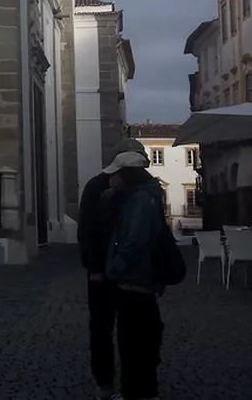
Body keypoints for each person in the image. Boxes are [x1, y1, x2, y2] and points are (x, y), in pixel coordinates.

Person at [77, 138, 148, 400]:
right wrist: (94, 267)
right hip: (105, 271)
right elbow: (87, 229)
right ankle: (105, 383)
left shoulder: (142, 187)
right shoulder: (97, 186)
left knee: (130, 330)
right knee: (102, 329)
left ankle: (133, 384)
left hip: (129, 271)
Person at [106, 152, 167, 400]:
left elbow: (135, 240)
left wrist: (115, 267)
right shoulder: (141, 197)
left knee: (133, 341)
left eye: (116, 173)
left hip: (134, 280)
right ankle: (143, 390)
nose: (113, 178)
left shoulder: (140, 200)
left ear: (127, 174)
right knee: (141, 339)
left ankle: (135, 392)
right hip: (139, 279)